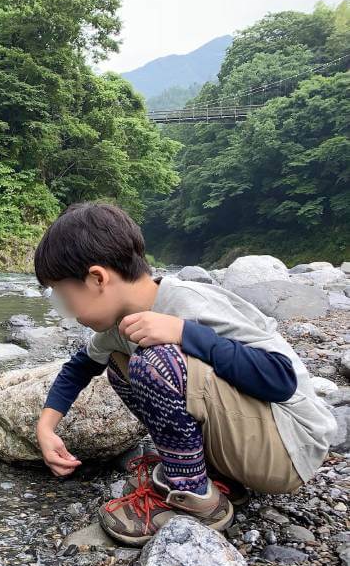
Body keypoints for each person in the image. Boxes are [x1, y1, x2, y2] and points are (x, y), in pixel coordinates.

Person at [33, 201, 337, 546]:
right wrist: (45, 426)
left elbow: (280, 379)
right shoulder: (118, 326)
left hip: (288, 447)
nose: (67, 313)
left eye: (63, 298)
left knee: (155, 362)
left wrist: (185, 333)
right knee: (121, 363)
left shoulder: (189, 304)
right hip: (251, 441)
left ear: (97, 278)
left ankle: (194, 500)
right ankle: (211, 476)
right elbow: (79, 368)